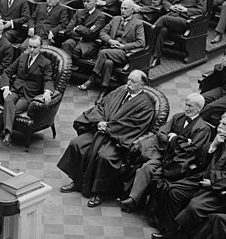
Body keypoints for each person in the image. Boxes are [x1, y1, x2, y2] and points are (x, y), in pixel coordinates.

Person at [151, 112, 226, 239]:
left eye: (224, 124)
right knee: (174, 190)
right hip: (203, 178)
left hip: (219, 188)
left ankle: (185, 235)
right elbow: (201, 159)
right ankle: (170, 229)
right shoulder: (221, 139)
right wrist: (213, 145)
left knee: (195, 206)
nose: (219, 126)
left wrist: (212, 182)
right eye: (220, 123)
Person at [58, 70, 155, 207]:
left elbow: (135, 125)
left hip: (118, 139)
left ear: (142, 84)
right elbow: (100, 106)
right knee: (77, 144)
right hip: (100, 130)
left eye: (133, 81)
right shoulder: (119, 92)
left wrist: (109, 128)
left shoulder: (146, 106)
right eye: (128, 79)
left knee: (105, 157)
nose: (128, 83)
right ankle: (77, 181)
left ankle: (100, 192)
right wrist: (99, 122)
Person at [120, 93, 212, 213]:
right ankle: (133, 200)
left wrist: (174, 138)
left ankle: (139, 204)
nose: (186, 108)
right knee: (146, 167)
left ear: (199, 108)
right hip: (163, 155)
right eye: (186, 104)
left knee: (153, 172)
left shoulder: (203, 129)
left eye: (190, 106)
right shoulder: (178, 117)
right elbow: (161, 133)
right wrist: (178, 141)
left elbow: (192, 150)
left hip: (178, 163)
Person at [0, 35, 54, 148]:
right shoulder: (22, 57)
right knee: (9, 101)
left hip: (28, 96)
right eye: (30, 46)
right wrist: (5, 88)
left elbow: (48, 80)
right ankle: (7, 134)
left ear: (40, 47)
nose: (32, 50)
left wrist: (48, 91)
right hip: (15, 91)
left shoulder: (46, 63)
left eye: (35, 47)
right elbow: (6, 72)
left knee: (10, 110)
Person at [79, 0, 146, 92]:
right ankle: (103, 91)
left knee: (103, 52)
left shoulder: (138, 24)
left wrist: (123, 46)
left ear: (132, 10)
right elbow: (102, 32)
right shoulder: (115, 19)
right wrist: (110, 41)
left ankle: (92, 79)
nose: (122, 10)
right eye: (121, 8)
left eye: (125, 8)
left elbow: (141, 42)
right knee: (108, 63)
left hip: (123, 53)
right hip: (110, 49)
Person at [150, 0, 208, 66]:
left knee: (164, 19)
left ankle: (150, 34)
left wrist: (186, 10)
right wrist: (171, 7)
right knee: (163, 30)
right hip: (172, 16)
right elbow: (165, 1)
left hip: (185, 20)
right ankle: (157, 57)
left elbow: (202, 11)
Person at [60, 0, 109, 64]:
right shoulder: (79, 12)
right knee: (66, 44)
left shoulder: (100, 16)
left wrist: (78, 28)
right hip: (76, 39)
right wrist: (82, 36)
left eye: (88, 1)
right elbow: (68, 30)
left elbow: (91, 34)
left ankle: (70, 67)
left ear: (95, 2)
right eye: (84, 1)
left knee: (75, 50)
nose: (85, 4)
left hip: (88, 43)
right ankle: (66, 67)